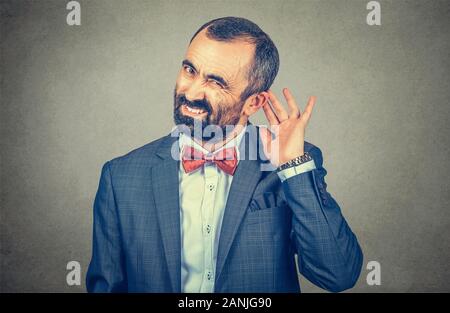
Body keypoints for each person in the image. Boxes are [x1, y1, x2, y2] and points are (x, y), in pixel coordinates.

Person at [86, 16, 363, 293]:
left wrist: (293, 167)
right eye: (189, 69)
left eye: (216, 82)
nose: (192, 91)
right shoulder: (120, 176)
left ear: (253, 102)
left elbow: (338, 275)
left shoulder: (291, 165)